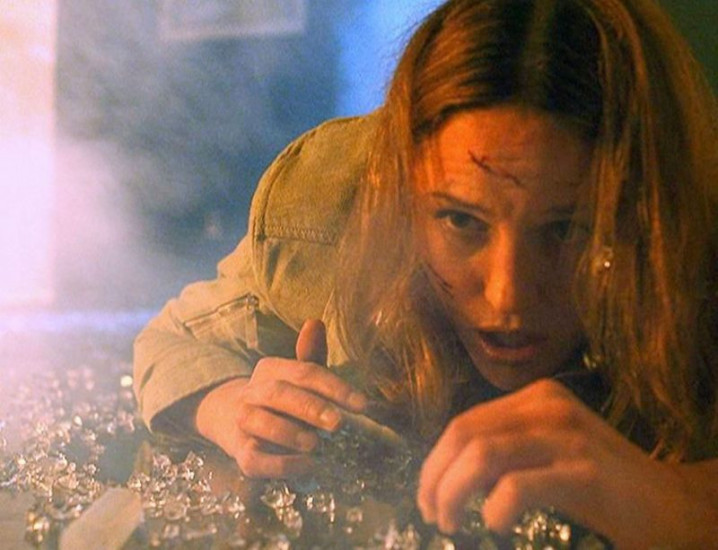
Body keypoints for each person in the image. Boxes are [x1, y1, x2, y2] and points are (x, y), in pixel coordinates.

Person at [133, 0, 718, 547]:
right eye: (462, 221)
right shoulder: (334, 223)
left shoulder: (696, 238)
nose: (507, 295)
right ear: (402, 199)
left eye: (565, 230)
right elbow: (170, 339)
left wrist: (674, 501)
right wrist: (233, 408)